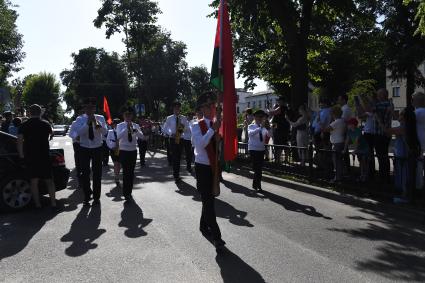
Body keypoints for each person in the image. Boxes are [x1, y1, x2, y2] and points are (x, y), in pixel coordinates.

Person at [191, 92, 226, 249]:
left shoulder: (215, 123)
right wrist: (213, 131)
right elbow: (200, 145)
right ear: (202, 108)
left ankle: (203, 225)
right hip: (202, 167)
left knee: (209, 200)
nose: (212, 108)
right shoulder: (197, 125)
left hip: (213, 166)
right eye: (209, 106)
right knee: (208, 202)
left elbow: (215, 147)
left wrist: (218, 137)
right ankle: (217, 238)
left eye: (213, 105)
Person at [17, 104, 57, 209]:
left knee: (33, 181)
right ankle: (53, 203)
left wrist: (21, 155)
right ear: (40, 112)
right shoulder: (46, 124)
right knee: (49, 181)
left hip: (30, 156)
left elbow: (19, 141)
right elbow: (52, 134)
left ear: (29, 113)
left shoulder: (24, 125)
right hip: (44, 155)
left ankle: (38, 205)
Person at [72, 97, 108, 206]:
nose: (90, 110)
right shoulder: (80, 119)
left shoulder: (100, 118)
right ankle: (87, 196)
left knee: (97, 174)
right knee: (85, 173)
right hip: (84, 148)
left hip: (97, 148)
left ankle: (97, 197)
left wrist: (98, 124)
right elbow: (79, 133)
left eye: (92, 108)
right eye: (88, 108)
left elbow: (105, 132)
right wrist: (87, 123)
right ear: (84, 108)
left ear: (95, 108)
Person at [116, 107, 144, 201]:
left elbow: (141, 136)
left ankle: (129, 192)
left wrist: (135, 130)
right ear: (123, 116)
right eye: (126, 115)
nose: (128, 117)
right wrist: (126, 128)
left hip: (133, 151)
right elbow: (118, 137)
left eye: (129, 115)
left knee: (131, 172)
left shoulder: (135, 125)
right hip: (123, 150)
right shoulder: (120, 125)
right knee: (125, 172)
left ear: (132, 116)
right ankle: (126, 193)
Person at [162, 101, 189, 183]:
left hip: (180, 139)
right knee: (175, 157)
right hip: (173, 139)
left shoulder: (183, 118)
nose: (177, 109)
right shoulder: (169, 118)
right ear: (173, 109)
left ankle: (177, 174)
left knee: (179, 156)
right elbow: (165, 128)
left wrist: (181, 130)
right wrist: (171, 133)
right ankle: (176, 175)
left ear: (180, 108)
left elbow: (187, 127)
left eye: (178, 107)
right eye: (175, 108)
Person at [372, 88, 393, 182]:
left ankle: (382, 177)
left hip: (379, 133)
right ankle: (386, 176)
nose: (377, 96)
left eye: (378, 94)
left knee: (380, 156)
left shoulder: (379, 105)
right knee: (385, 155)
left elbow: (376, 114)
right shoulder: (390, 104)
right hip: (387, 133)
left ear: (383, 95)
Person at [248, 110, 271, 191]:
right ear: (255, 117)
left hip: (261, 149)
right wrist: (260, 127)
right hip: (253, 149)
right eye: (259, 117)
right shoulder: (251, 126)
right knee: (256, 168)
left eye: (262, 117)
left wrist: (269, 128)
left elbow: (270, 135)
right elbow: (250, 134)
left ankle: (257, 184)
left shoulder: (264, 127)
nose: (260, 118)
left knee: (259, 168)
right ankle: (256, 184)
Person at [323, 106, 345, 183]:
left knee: (336, 162)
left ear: (334, 114)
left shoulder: (336, 122)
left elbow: (325, 129)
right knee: (338, 161)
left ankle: (337, 178)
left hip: (337, 143)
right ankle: (339, 176)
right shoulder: (342, 121)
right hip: (340, 142)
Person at [344, 118, 369, 183]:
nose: (347, 125)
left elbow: (356, 141)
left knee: (364, 162)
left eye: (349, 124)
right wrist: (344, 149)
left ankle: (365, 176)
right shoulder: (349, 131)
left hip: (364, 148)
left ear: (352, 125)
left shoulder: (358, 130)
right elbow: (347, 141)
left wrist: (355, 150)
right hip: (358, 149)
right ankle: (362, 175)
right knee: (361, 162)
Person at [269, 97, 291, 163]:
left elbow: (272, 113)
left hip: (280, 129)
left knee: (278, 145)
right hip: (284, 128)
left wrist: (268, 110)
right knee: (284, 143)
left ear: (282, 101)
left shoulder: (281, 107)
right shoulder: (286, 108)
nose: (278, 102)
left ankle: (278, 160)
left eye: (279, 101)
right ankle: (285, 159)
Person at [106, 118, 121, 186]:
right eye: (115, 124)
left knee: (120, 164)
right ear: (113, 125)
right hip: (114, 150)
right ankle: (116, 177)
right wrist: (112, 147)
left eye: (118, 124)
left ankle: (118, 174)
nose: (116, 125)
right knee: (116, 163)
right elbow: (107, 141)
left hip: (122, 150)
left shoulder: (122, 131)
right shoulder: (110, 132)